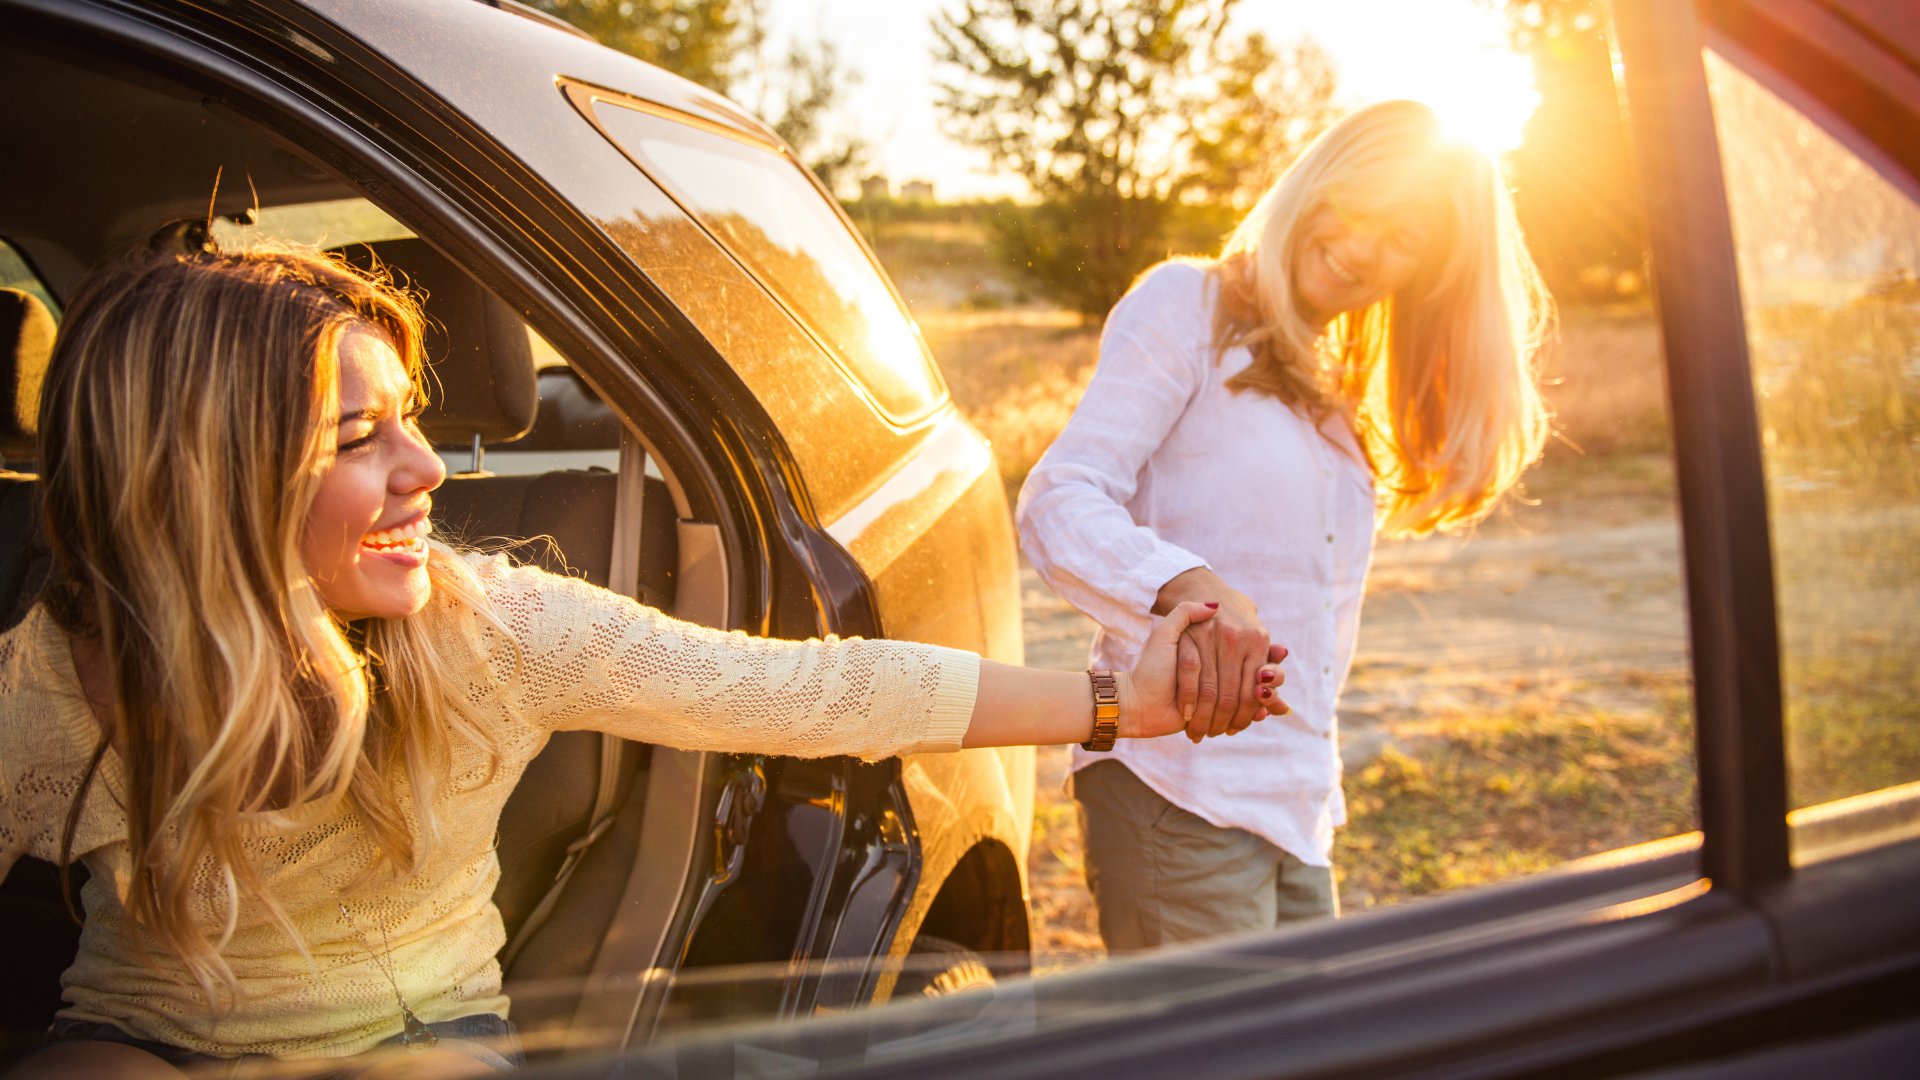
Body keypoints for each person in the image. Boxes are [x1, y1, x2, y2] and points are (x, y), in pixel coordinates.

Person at [0, 245, 1289, 1079]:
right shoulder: (53, 678)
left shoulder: (489, 630)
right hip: (140, 1037)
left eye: (413, 421)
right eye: (358, 437)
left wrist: (1128, 698)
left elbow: (816, 692)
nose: (430, 470)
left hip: (415, 1038)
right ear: (206, 480)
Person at [1017, 99, 1553, 953]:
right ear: (1318, 177)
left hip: (1299, 808)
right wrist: (1183, 583)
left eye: (1406, 238)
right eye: (1362, 203)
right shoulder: (1185, 306)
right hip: (1177, 787)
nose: (1365, 246)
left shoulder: (1332, 383)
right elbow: (1059, 498)